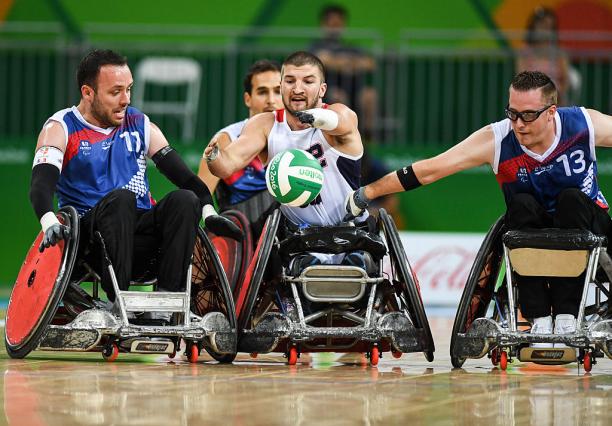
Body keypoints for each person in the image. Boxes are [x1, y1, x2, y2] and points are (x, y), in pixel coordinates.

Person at [346, 70, 612, 342]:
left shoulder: (584, 124)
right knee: (520, 204)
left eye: (528, 115)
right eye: (513, 113)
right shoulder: (496, 139)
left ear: (551, 112)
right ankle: (539, 317)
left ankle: (568, 315)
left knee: (570, 198)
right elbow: (430, 169)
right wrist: (367, 192)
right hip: (533, 232)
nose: (519, 124)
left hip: (586, 225)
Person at [31, 49, 241, 320]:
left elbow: (186, 179)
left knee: (185, 199)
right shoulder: (61, 127)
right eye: (115, 91)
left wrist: (209, 212)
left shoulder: (140, 124)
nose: (125, 100)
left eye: (129, 89)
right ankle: (118, 300)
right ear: (88, 92)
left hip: (140, 235)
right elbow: (40, 183)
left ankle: (165, 304)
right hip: (90, 240)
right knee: (121, 199)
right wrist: (49, 221)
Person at [204, 51, 367, 271]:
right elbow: (228, 164)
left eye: (308, 81)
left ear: (322, 89)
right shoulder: (264, 125)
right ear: (282, 86)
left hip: (351, 230)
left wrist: (315, 117)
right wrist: (214, 157)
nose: (297, 88)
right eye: (290, 81)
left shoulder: (337, 113)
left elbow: (344, 121)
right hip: (300, 238)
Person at [198, 59, 282, 239]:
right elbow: (199, 194)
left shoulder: (298, 138)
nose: (271, 100)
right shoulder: (225, 139)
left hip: (286, 232)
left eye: (277, 91)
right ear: (247, 99)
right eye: (262, 92)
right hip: (241, 235)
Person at [309, 4, 377, 138]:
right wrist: (345, 63)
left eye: (338, 23)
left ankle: (368, 135)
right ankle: (341, 134)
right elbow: (322, 59)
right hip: (330, 89)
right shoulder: (316, 45)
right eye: (332, 23)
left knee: (370, 95)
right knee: (338, 97)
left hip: (355, 88)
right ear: (324, 24)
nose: (335, 27)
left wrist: (344, 62)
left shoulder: (350, 46)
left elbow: (370, 63)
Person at [516, 7, 572, 105]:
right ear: (533, 27)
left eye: (550, 27)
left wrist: (553, 93)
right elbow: (521, 78)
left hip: (555, 98)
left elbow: (565, 80)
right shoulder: (524, 52)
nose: (546, 31)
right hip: (530, 98)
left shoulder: (559, 53)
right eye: (542, 26)